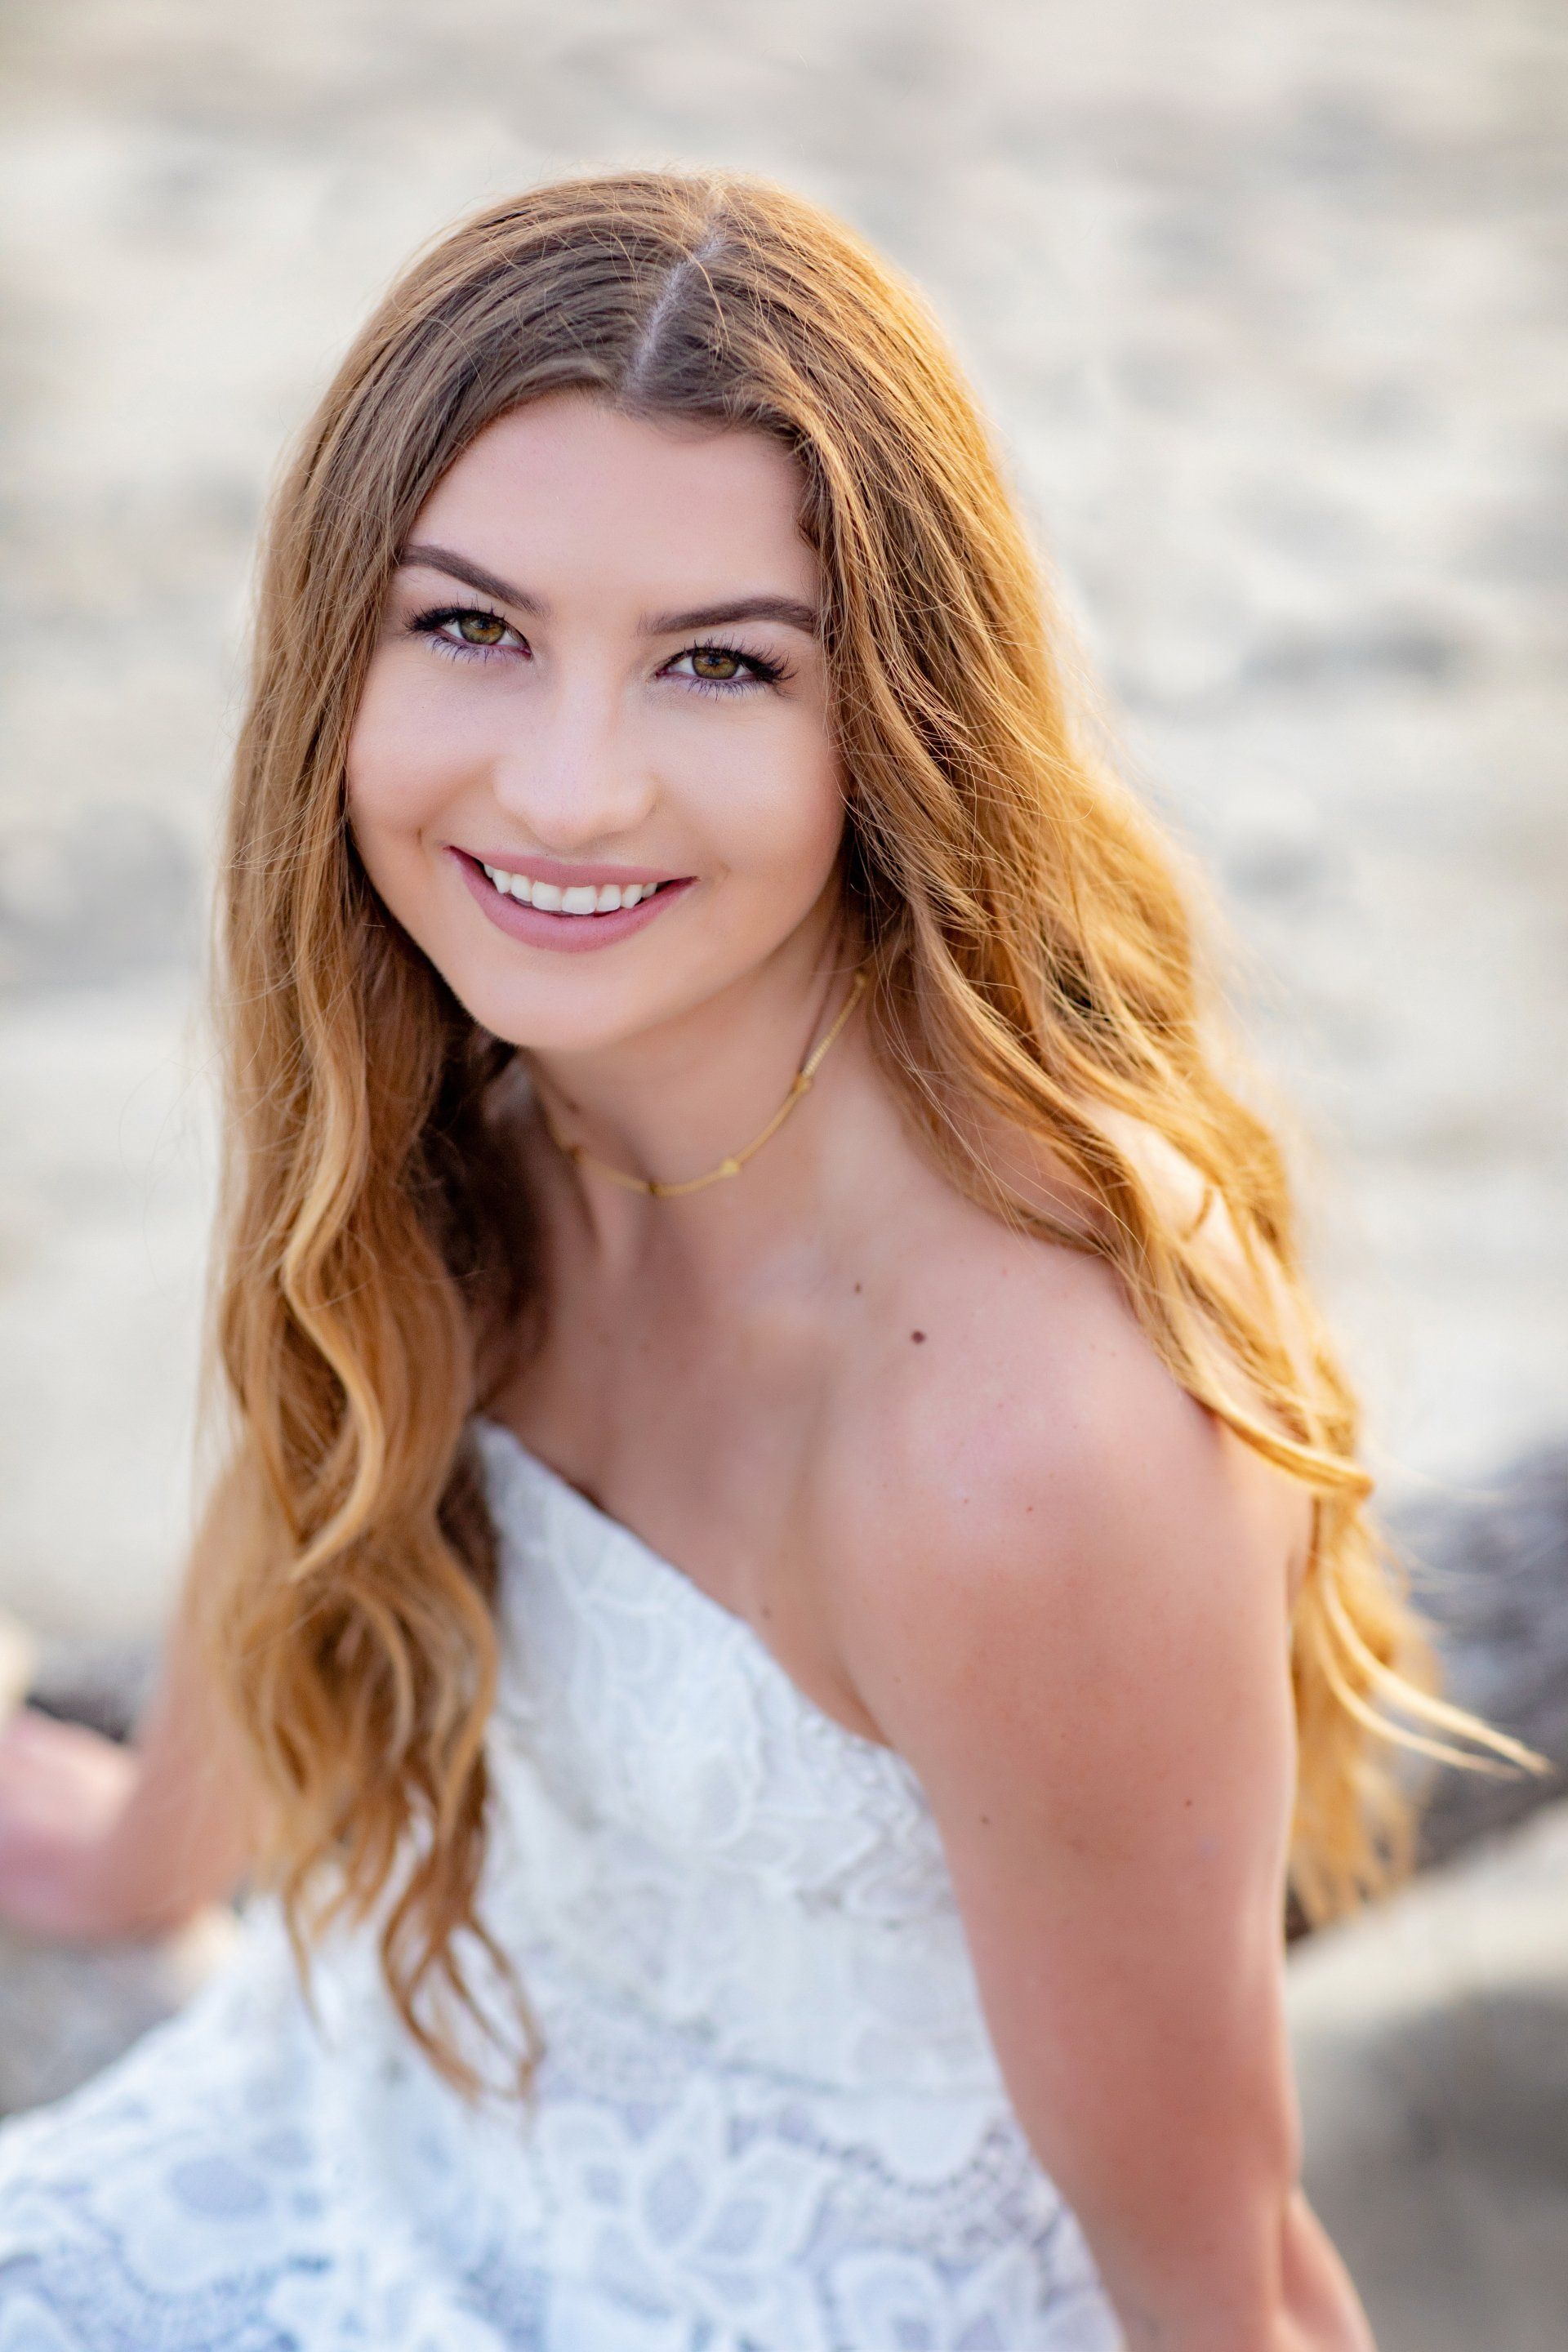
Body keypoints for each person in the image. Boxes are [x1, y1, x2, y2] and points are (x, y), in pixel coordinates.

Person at [0, 166, 1520, 2351]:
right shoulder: (484, 1102)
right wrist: (135, 1866)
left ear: (883, 731)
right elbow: (326, 1446)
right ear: (338, 648)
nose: (571, 788)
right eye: (471, 628)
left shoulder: (1024, 1439)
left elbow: (1230, 2276)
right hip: (380, 2136)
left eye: (719, 665)